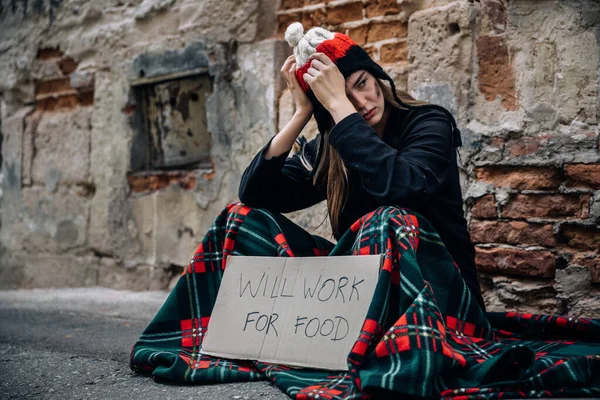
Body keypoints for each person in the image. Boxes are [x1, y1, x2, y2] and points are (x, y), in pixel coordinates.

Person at [239, 22, 485, 310]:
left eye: (362, 84)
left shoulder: (428, 123)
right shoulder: (331, 150)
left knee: (384, 220)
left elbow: (403, 189)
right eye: (343, 97)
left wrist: (340, 107)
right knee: (238, 220)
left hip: (439, 294)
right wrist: (303, 112)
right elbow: (255, 195)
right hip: (361, 297)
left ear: (376, 76)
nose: (361, 103)